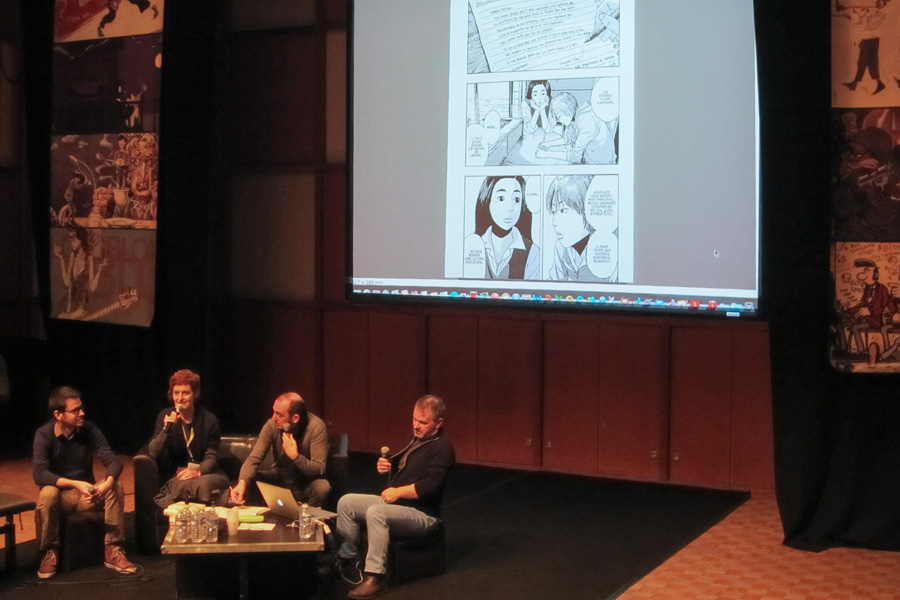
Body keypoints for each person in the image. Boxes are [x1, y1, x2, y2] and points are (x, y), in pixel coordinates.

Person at [333, 395, 455, 599]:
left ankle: (375, 577)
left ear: (438, 423)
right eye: (414, 419)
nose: (416, 425)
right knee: (347, 502)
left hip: (423, 514)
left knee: (376, 512)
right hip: (399, 505)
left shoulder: (443, 449)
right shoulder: (416, 438)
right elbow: (406, 465)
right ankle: (348, 559)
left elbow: (430, 486)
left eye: (423, 422)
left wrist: (398, 492)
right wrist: (387, 464)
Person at [32, 386, 137, 579]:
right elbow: (40, 474)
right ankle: (49, 552)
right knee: (47, 493)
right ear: (58, 414)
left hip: (87, 497)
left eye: (81, 408)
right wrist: (74, 483)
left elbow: (113, 460)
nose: (82, 413)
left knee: (115, 485)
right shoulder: (44, 434)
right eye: (75, 410)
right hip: (61, 498)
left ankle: (112, 547)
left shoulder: (89, 429)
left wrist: (106, 484)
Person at [229, 392, 331, 507]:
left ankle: (304, 514)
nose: (274, 418)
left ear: (295, 418)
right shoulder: (272, 425)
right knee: (250, 479)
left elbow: (319, 468)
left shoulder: (316, 427)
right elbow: (254, 459)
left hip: (305, 482)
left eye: (279, 415)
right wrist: (242, 483)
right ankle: (264, 514)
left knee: (322, 487)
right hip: (281, 478)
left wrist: (296, 457)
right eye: (274, 412)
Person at [147, 369, 229, 507]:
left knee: (205, 483)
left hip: (205, 473)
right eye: (176, 393)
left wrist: (197, 472)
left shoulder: (209, 420)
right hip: (179, 475)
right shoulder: (165, 416)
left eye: (185, 393)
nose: (180, 398)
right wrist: (166, 430)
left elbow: (211, 456)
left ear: (195, 394)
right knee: (181, 483)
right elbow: (153, 451)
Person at [546, 175, 617, 282]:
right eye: (553, 212)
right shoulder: (561, 248)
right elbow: (553, 283)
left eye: (563, 210)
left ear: (585, 209)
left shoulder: (610, 245)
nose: (554, 222)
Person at [474, 175, 540, 280]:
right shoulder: (474, 245)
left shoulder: (533, 252)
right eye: (501, 198)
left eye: (517, 200)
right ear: (487, 199)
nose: (510, 208)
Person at [536, 91, 617, 165]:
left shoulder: (586, 121)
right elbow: (569, 138)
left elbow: (575, 156)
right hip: (592, 158)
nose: (559, 121)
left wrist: (547, 154)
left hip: (600, 164)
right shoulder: (577, 114)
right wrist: (548, 144)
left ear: (567, 112)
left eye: (559, 117)